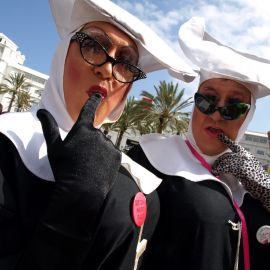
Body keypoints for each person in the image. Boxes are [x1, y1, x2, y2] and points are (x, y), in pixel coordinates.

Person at [0, 1, 196, 270]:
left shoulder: (134, 174)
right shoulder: (7, 141)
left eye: (126, 63)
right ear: (63, 55)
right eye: (93, 45)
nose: (107, 69)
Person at [128, 17, 270, 270]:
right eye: (207, 100)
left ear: (246, 117)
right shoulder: (151, 157)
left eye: (234, 107)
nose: (216, 114)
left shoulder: (249, 176)